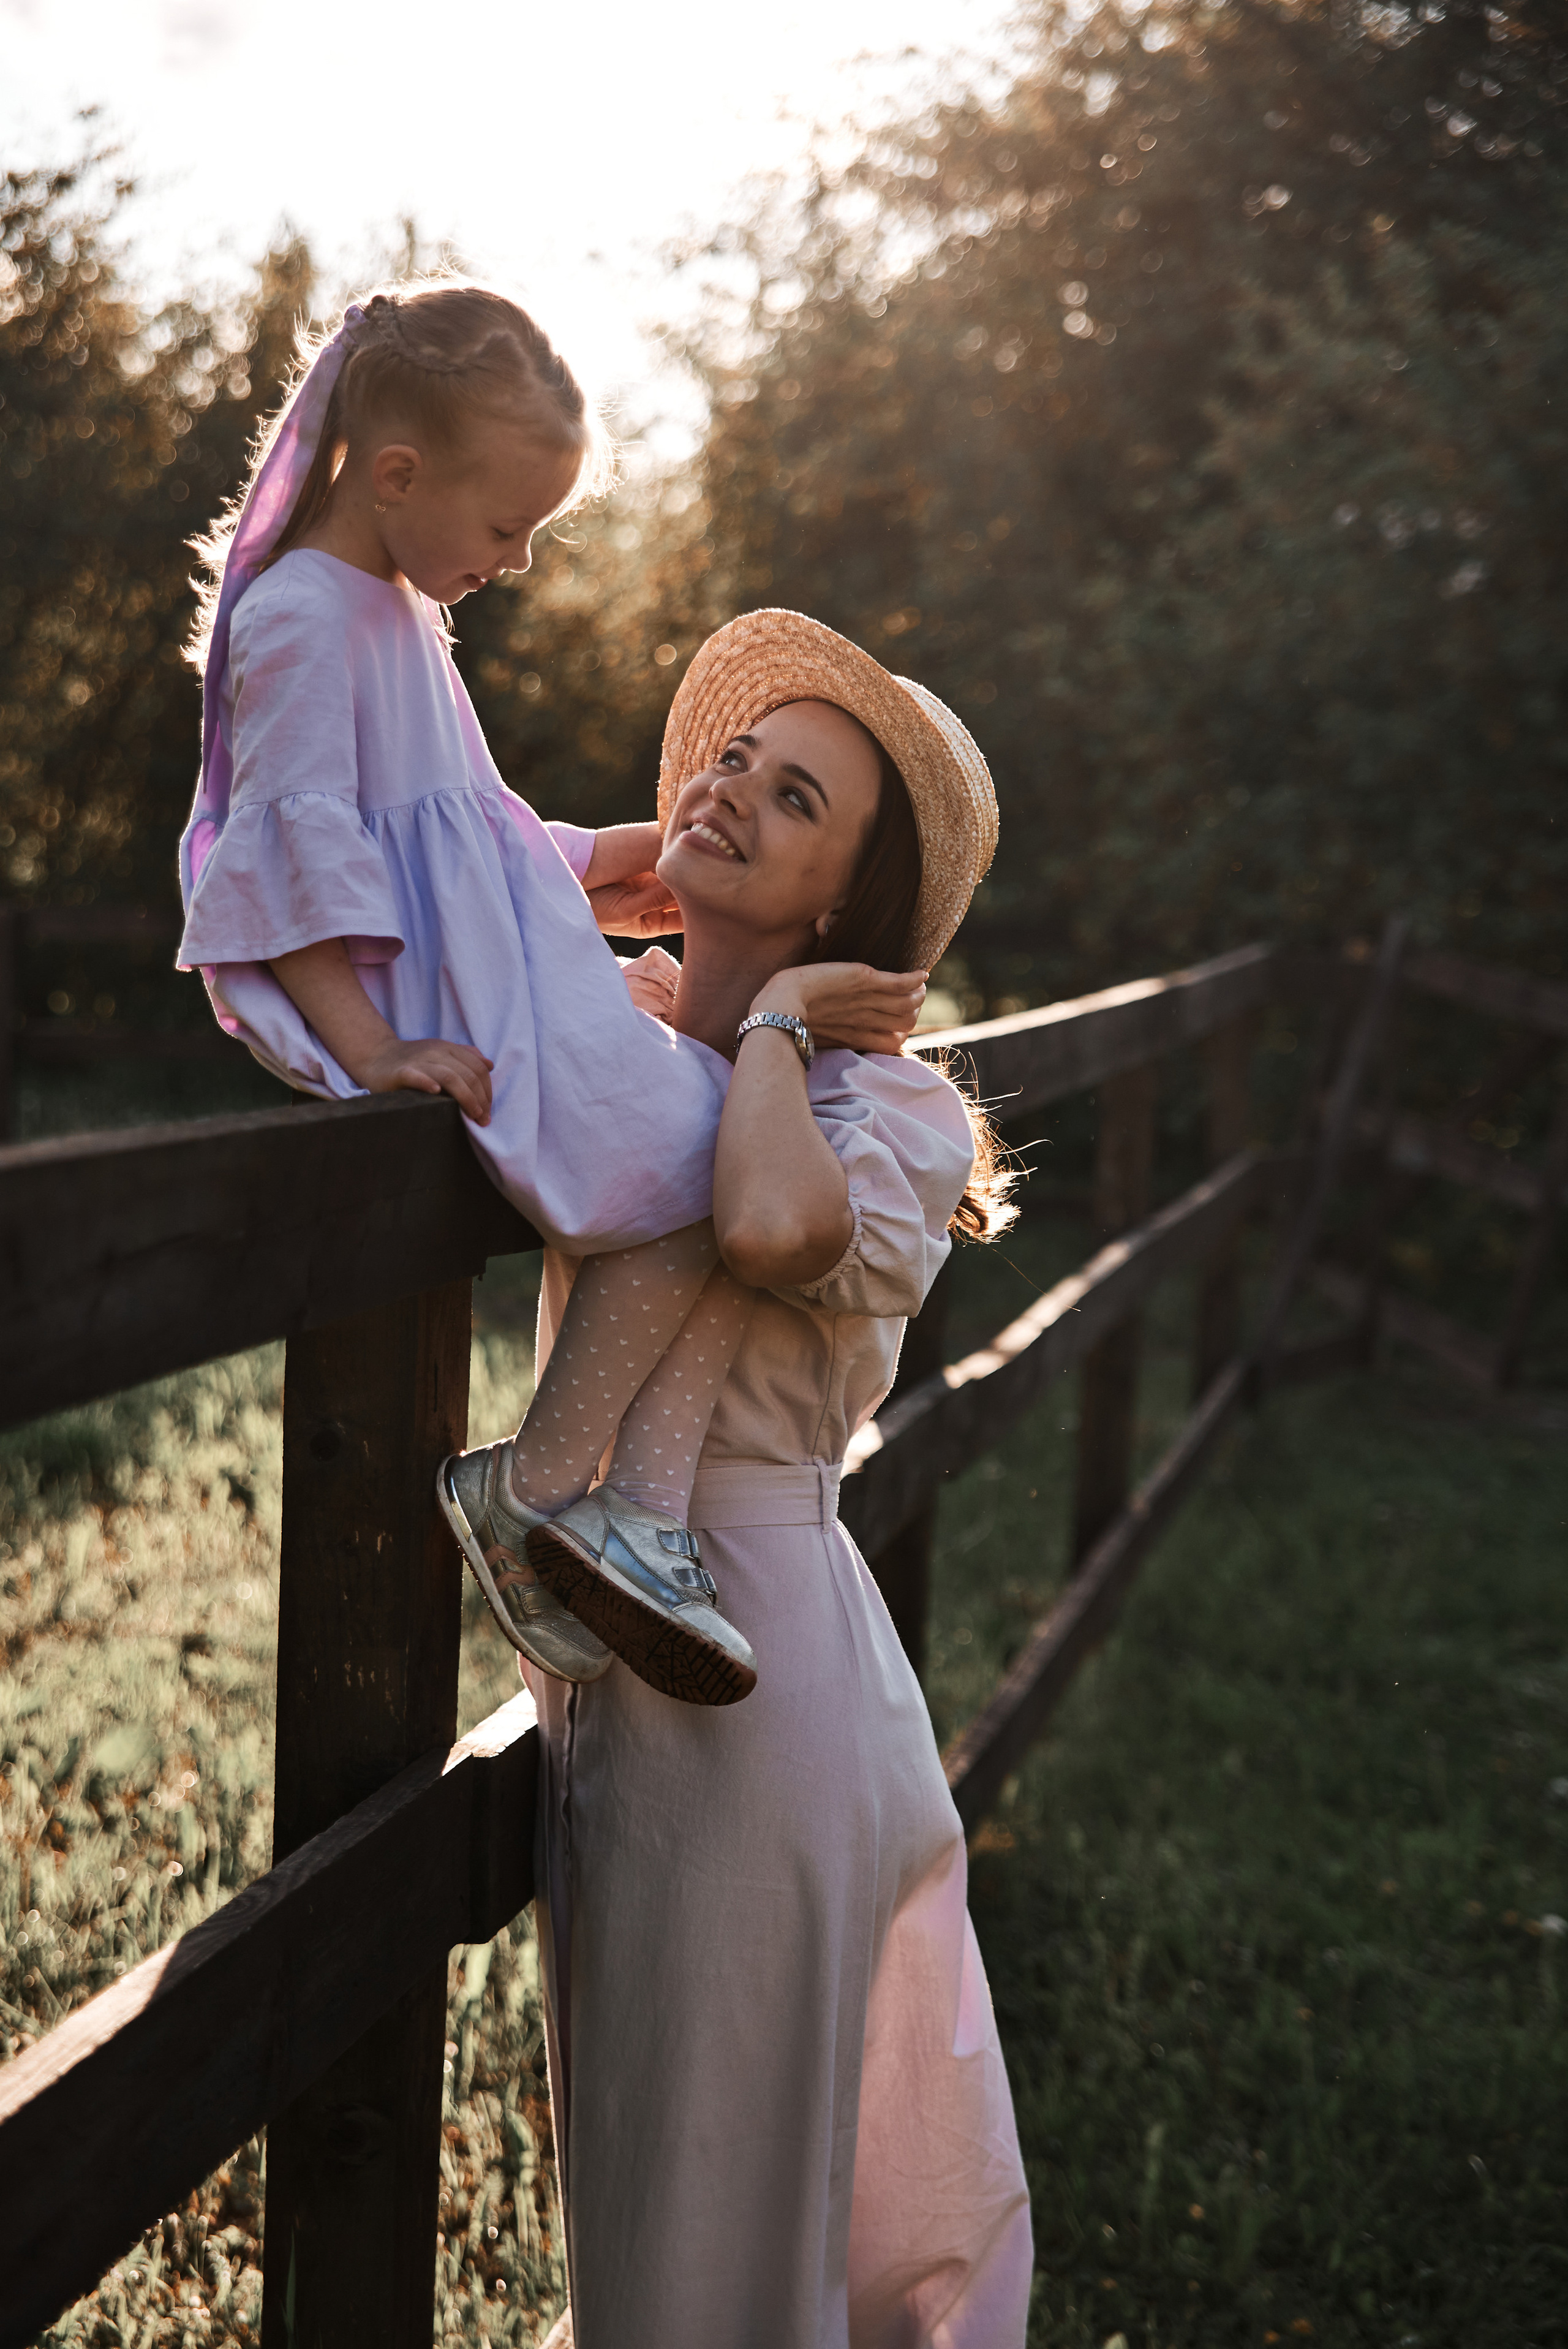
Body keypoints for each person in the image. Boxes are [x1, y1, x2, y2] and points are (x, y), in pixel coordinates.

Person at [174, 281, 917, 1706]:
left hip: (496, 977)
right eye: (508, 527)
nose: (514, 561)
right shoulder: (302, 621)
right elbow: (302, 859)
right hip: (434, 1010)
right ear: (397, 476)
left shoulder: (389, 603)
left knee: (714, 1123)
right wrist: (376, 1048)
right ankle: (549, 1487)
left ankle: (631, 1518)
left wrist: (599, 864)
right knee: (697, 1142)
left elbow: (464, 825)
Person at [525, 609, 1033, 2349]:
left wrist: (780, 1032)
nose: (729, 787)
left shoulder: (887, 1114)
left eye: (791, 792)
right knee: (661, 2195)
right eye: (735, 757)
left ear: (840, 909)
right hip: (630, 1667)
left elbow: (757, 1218)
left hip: (756, 1702)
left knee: (712, 2243)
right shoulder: (631, 1019)